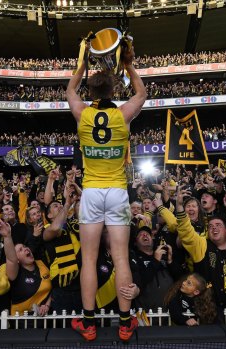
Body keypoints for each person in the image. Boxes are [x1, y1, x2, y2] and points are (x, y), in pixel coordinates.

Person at [66, 41, 146, 342]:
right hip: (117, 192)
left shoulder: (82, 113)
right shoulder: (123, 114)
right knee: (121, 258)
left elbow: (70, 91)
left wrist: (83, 63)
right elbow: (142, 93)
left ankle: (88, 323)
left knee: (89, 259)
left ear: (91, 92)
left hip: (91, 192)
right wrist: (126, 64)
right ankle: (126, 324)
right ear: (113, 91)